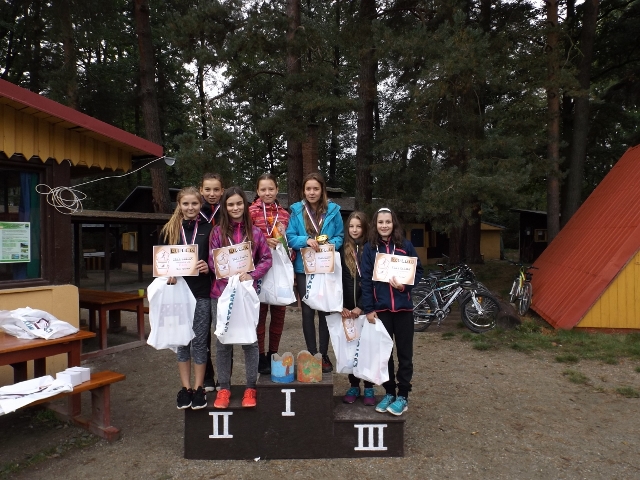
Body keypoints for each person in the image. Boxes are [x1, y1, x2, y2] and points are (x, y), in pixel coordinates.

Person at [209, 187, 272, 409]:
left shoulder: (255, 233)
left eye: (238, 203)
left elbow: (266, 259)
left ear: (245, 206)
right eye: (230, 204)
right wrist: (230, 277)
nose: (235, 208)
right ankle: (224, 388)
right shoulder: (217, 232)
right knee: (223, 342)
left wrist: (251, 275)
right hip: (222, 293)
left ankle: (250, 387)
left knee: (249, 341)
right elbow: (212, 261)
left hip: (246, 293)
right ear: (225, 207)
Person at [360, 207, 423, 416]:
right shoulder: (370, 248)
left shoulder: (405, 245)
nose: (384, 225)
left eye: (388, 222)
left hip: (404, 309)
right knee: (385, 354)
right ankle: (389, 392)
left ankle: (403, 395)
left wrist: (404, 287)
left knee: (405, 354)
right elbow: (366, 281)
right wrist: (369, 309)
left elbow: (418, 271)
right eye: (380, 222)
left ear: (393, 223)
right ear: (375, 225)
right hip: (382, 310)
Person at [159, 187, 213, 410]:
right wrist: (167, 273)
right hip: (177, 295)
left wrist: (208, 267)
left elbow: (215, 260)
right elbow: (160, 262)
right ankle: (185, 388)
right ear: (179, 205)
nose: (190, 208)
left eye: (194, 204)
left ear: (201, 205)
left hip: (201, 293)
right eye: (186, 204)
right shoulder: (169, 230)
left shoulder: (210, 229)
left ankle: (199, 387)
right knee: (182, 341)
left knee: (199, 341)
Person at [286, 172, 344, 373]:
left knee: (325, 310)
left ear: (322, 190)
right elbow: (290, 237)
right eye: (308, 189)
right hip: (305, 267)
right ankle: (312, 353)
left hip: (325, 266)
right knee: (308, 311)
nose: (312, 192)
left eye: (316, 189)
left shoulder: (333, 210)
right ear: (304, 191)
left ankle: (323, 354)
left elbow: (340, 236)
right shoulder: (296, 211)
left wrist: (329, 244)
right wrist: (306, 240)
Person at [248, 173, 291, 375]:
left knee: (279, 313)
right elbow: (245, 238)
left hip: (279, 269)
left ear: (277, 189)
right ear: (257, 191)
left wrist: (286, 249)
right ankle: (260, 356)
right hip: (258, 268)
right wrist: (264, 241)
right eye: (263, 189)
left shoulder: (285, 214)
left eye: (271, 189)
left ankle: (274, 353)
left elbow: (288, 240)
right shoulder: (250, 212)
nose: (267, 193)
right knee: (260, 314)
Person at [340, 211, 376, 406]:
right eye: (351, 226)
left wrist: (361, 307)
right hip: (347, 310)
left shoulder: (370, 249)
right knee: (351, 348)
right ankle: (354, 385)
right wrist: (342, 306)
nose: (354, 230)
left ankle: (369, 386)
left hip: (365, 308)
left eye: (358, 226)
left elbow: (373, 281)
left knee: (367, 348)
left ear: (365, 228)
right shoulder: (341, 250)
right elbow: (335, 280)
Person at [199, 173, 224, 391]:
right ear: (201, 190)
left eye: (216, 190)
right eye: (207, 189)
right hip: (200, 278)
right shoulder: (194, 212)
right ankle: (207, 375)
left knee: (222, 329)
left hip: (222, 278)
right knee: (202, 329)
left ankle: (224, 380)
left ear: (222, 191)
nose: (212, 194)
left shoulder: (227, 212)